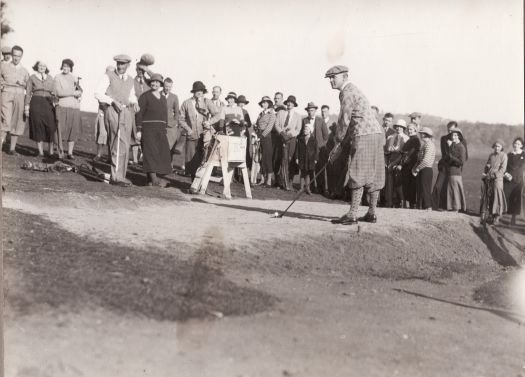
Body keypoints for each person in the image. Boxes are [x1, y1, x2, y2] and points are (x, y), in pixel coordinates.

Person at [325, 65, 385, 225]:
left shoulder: (347, 92)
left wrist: (337, 145)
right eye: (329, 78)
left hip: (364, 135)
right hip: (376, 134)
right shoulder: (353, 89)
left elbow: (344, 120)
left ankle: (352, 214)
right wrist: (342, 144)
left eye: (334, 77)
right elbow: (350, 122)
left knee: (358, 172)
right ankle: (371, 213)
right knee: (374, 174)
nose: (331, 81)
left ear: (344, 77)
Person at [94, 54, 139, 187]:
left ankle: (121, 176)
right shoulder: (108, 75)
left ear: (128, 65)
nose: (120, 66)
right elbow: (97, 93)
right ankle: (116, 177)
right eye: (118, 63)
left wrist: (135, 102)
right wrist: (112, 102)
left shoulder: (130, 80)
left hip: (126, 111)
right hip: (112, 110)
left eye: (123, 64)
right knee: (117, 143)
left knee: (125, 144)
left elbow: (131, 95)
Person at [178, 81, 221, 179]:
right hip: (191, 136)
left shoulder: (207, 102)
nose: (200, 92)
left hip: (204, 136)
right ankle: (193, 183)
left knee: (203, 160)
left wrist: (209, 122)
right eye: (198, 90)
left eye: (201, 90)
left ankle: (200, 185)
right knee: (191, 160)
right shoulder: (186, 103)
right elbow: (180, 119)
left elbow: (218, 114)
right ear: (194, 91)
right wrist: (188, 129)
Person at [136, 73, 172, 187]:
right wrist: (139, 130)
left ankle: (150, 180)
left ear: (161, 84)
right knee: (149, 153)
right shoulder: (145, 96)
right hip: (148, 129)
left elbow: (165, 114)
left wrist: (165, 127)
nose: (154, 84)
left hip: (160, 130)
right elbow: (139, 113)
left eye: (157, 82)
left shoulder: (162, 98)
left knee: (161, 154)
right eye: (153, 82)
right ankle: (155, 180)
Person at [23, 60, 57, 157]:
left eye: (44, 66)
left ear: (46, 68)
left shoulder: (50, 78)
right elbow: (28, 93)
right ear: (37, 67)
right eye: (40, 65)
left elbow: (54, 92)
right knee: (38, 126)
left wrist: (55, 102)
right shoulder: (32, 78)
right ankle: (40, 152)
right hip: (36, 103)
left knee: (51, 127)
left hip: (48, 103)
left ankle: (50, 152)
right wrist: (26, 107)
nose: (42, 67)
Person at [1, 45, 29, 155]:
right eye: (14, 55)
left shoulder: (24, 71)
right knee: (5, 120)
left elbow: (29, 86)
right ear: (11, 55)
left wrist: (24, 84)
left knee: (17, 121)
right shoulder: (4, 67)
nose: (16, 58)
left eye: (19, 56)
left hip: (20, 96)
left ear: (21, 56)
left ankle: (12, 149)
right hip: (7, 94)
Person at [54, 58, 82, 159]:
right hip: (62, 106)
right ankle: (60, 152)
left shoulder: (74, 78)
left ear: (71, 68)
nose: (66, 68)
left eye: (68, 67)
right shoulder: (57, 77)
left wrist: (79, 94)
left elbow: (80, 91)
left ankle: (70, 153)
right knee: (60, 130)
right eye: (64, 66)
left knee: (73, 130)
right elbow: (59, 92)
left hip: (74, 107)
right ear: (62, 66)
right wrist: (72, 92)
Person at [274, 95, 302, 191]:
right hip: (282, 139)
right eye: (288, 102)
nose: (289, 104)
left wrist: (290, 135)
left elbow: (298, 129)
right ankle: (284, 183)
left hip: (292, 140)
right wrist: (282, 133)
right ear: (286, 103)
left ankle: (289, 181)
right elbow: (276, 124)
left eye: (292, 102)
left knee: (291, 160)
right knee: (283, 160)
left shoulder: (298, 116)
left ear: (294, 104)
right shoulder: (281, 113)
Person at [302, 102, 328, 193]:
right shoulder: (304, 120)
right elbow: (303, 134)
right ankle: (311, 187)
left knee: (319, 168)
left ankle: (322, 188)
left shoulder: (320, 120)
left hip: (319, 149)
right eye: (309, 111)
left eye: (312, 110)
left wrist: (321, 146)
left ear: (315, 111)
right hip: (309, 150)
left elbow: (326, 136)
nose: (310, 112)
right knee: (310, 168)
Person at [481, 140, 508, 224]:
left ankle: (497, 216)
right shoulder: (491, 155)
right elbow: (487, 165)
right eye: (495, 146)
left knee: (497, 196)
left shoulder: (504, 155)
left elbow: (502, 169)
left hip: (498, 179)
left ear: (502, 147)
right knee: (490, 196)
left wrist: (494, 175)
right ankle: (490, 215)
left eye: (499, 146)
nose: (497, 148)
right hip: (489, 178)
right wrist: (485, 172)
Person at [394, 123, 421, 208]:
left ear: (415, 130)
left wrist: (401, 164)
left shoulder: (415, 140)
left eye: (411, 129)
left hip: (410, 165)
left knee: (410, 185)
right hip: (407, 164)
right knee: (406, 184)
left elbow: (410, 154)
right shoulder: (410, 140)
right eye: (408, 129)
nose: (409, 131)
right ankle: (407, 203)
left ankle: (411, 204)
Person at [384, 119, 409, 207]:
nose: (398, 128)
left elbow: (405, 154)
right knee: (389, 183)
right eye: (397, 127)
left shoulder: (406, 138)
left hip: (399, 161)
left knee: (398, 183)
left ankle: (400, 202)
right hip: (390, 161)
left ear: (403, 128)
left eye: (401, 127)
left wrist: (400, 164)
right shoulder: (390, 137)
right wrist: (386, 162)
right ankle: (389, 202)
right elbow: (386, 152)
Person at [131, 62, 151, 166]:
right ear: (136, 70)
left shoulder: (149, 82)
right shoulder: (132, 81)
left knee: (146, 135)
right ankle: (134, 159)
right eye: (139, 70)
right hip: (136, 110)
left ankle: (144, 158)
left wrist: (147, 70)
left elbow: (159, 78)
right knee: (135, 134)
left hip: (148, 112)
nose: (140, 72)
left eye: (142, 70)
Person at [93, 65, 115, 162]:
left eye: (112, 72)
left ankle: (111, 157)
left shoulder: (115, 85)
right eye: (108, 72)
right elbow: (99, 98)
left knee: (112, 134)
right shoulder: (103, 83)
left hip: (113, 112)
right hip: (103, 111)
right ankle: (98, 154)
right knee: (101, 133)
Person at [412, 127, 436, 210]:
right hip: (423, 169)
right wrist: (415, 167)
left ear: (425, 135)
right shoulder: (425, 144)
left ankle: (428, 206)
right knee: (422, 189)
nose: (420, 135)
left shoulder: (429, 145)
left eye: (422, 133)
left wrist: (417, 168)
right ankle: (423, 206)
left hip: (426, 169)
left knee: (425, 188)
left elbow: (426, 160)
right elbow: (420, 159)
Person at [255, 96, 276, 186]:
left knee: (267, 158)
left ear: (269, 104)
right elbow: (257, 124)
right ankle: (262, 179)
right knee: (261, 157)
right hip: (259, 136)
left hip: (266, 137)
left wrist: (261, 136)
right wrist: (256, 133)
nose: (263, 104)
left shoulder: (272, 114)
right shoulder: (261, 113)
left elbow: (269, 127)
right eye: (262, 103)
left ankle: (269, 180)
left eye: (265, 102)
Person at [445, 128, 467, 212]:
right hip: (450, 170)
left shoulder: (461, 147)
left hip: (456, 172)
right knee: (451, 189)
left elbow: (461, 162)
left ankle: (456, 208)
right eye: (452, 135)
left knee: (455, 190)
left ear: (459, 136)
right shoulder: (453, 145)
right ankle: (452, 207)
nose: (453, 137)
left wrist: (451, 157)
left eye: (455, 135)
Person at [504, 137, 524, 225]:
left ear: (522, 146)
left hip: (519, 180)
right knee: (505, 196)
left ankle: (513, 218)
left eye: (519, 144)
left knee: (516, 199)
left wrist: (516, 176)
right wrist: (506, 174)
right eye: (515, 144)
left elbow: (522, 168)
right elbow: (505, 166)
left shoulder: (524, 155)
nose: (516, 145)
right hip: (508, 179)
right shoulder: (509, 155)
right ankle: (502, 216)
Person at [161, 77, 180, 168]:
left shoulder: (174, 97)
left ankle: (169, 165)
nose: (167, 88)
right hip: (159, 124)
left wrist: (174, 122)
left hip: (170, 126)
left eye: (169, 87)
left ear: (171, 87)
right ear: (163, 85)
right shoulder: (157, 94)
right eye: (166, 86)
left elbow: (177, 112)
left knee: (170, 146)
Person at [295, 122, 318, 195]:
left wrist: (316, 159)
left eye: (307, 129)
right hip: (302, 158)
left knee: (308, 173)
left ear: (310, 130)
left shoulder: (314, 140)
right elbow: (297, 149)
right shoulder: (300, 139)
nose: (305, 130)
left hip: (310, 159)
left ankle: (308, 188)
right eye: (304, 129)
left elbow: (316, 150)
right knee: (302, 173)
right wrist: (297, 158)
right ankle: (301, 188)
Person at [272, 91, 286, 185]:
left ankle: (279, 180)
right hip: (271, 136)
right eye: (275, 98)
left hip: (279, 135)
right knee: (272, 158)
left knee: (279, 158)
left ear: (282, 99)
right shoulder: (272, 108)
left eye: (278, 98)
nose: (276, 100)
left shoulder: (283, 109)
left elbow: (281, 124)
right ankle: (274, 179)